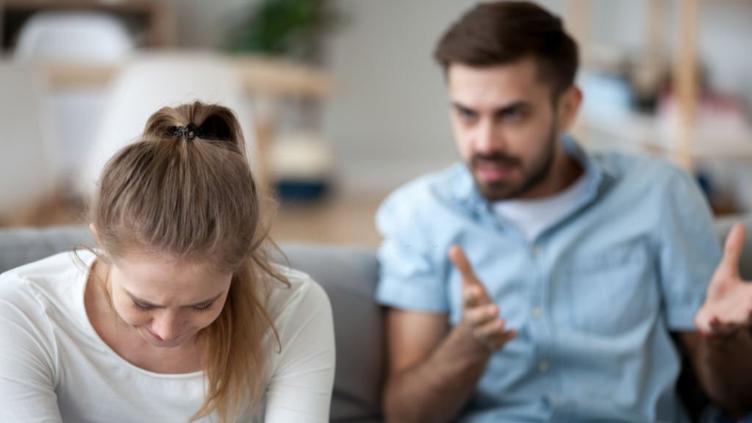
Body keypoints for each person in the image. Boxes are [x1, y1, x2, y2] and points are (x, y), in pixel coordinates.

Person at [376, 2, 752, 422]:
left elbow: (736, 399)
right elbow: (403, 415)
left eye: (512, 114)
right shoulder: (422, 215)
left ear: (569, 108)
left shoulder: (660, 195)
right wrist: (466, 346)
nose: (484, 142)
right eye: (466, 115)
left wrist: (725, 340)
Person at [0, 101, 336, 422]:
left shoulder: (295, 309)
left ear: (240, 261)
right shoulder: (22, 311)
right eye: (142, 303)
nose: (167, 331)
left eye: (202, 304)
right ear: (101, 243)